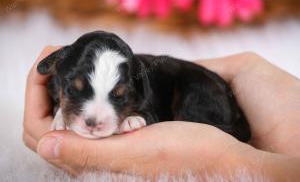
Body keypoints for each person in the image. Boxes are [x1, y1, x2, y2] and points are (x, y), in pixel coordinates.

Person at [23, 47, 300, 180]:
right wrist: (61, 109)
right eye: (75, 91)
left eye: (119, 98)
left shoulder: (142, 86)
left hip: (197, 92)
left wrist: (228, 161)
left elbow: (147, 109)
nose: (94, 119)